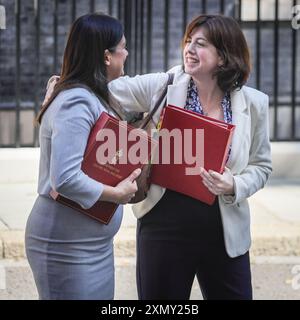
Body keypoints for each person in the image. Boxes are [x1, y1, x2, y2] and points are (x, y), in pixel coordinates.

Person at [46, 14, 272, 300]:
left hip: (224, 228)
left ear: (224, 57)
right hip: (164, 223)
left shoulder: (254, 104)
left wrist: (234, 185)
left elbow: (262, 166)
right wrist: (61, 90)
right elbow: (100, 90)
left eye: (200, 44)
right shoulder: (163, 85)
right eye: (189, 41)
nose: (189, 49)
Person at [25, 13, 141, 300]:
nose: (126, 53)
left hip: (92, 244)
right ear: (105, 56)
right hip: (66, 247)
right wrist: (117, 194)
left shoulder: (92, 95)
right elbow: (64, 179)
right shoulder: (76, 100)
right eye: (122, 47)